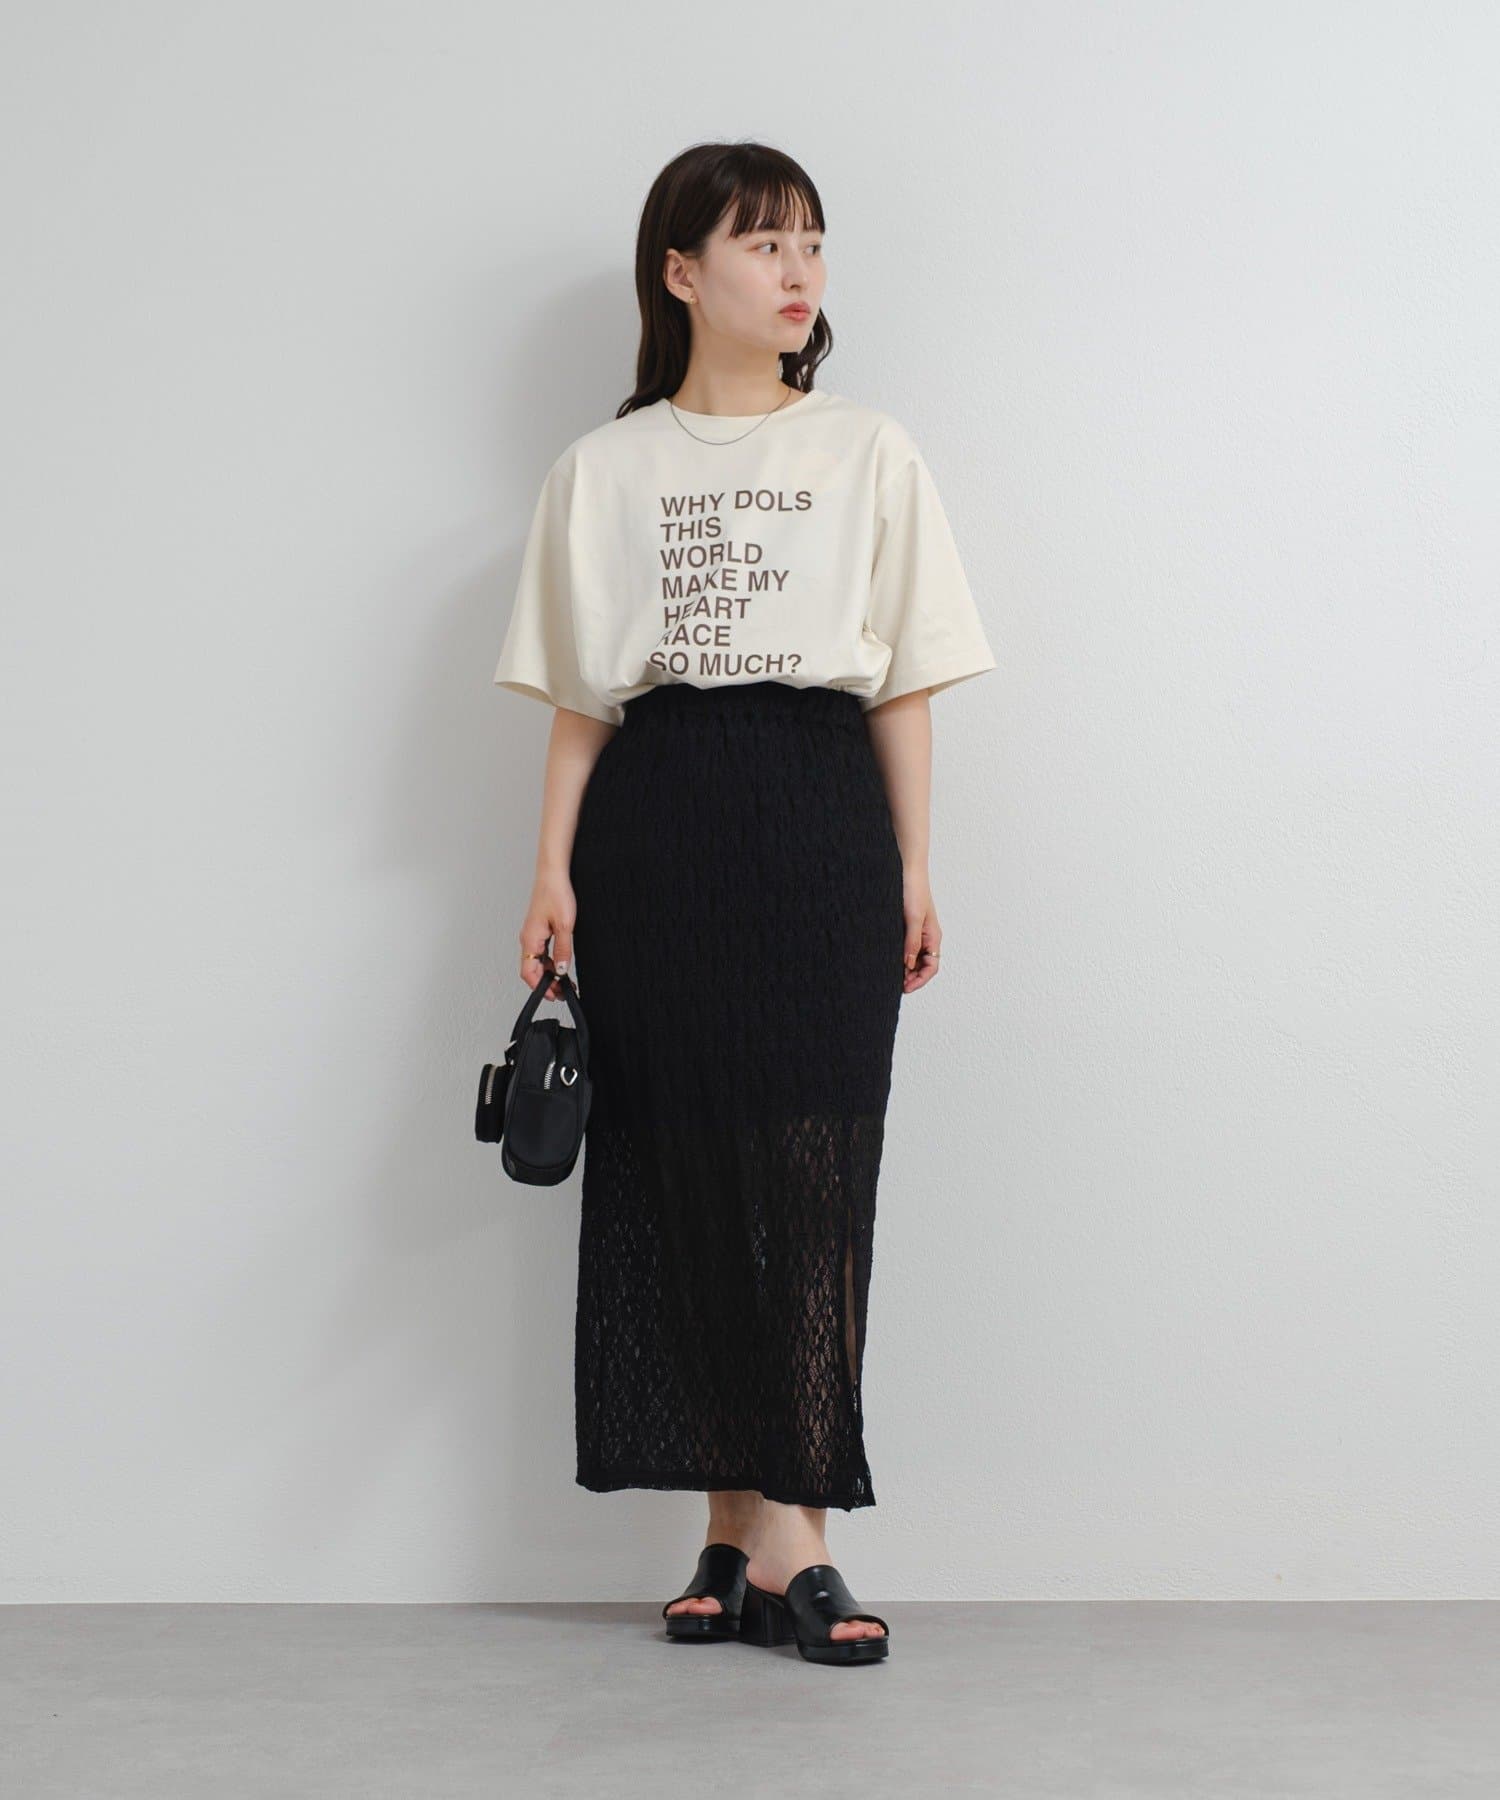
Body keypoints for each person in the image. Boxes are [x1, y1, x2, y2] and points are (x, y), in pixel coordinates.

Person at [491, 141, 997, 1667]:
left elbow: (903, 680)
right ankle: (735, 1531)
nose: (798, 272)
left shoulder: (868, 450)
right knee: (681, 1170)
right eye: (766, 243)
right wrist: (550, 868)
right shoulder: (604, 469)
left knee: (814, 1173)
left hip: (819, 814)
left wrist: (913, 864)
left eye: (813, 245)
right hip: (659, 828)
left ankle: (799, 1534)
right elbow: (582, 699)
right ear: (680, 270)